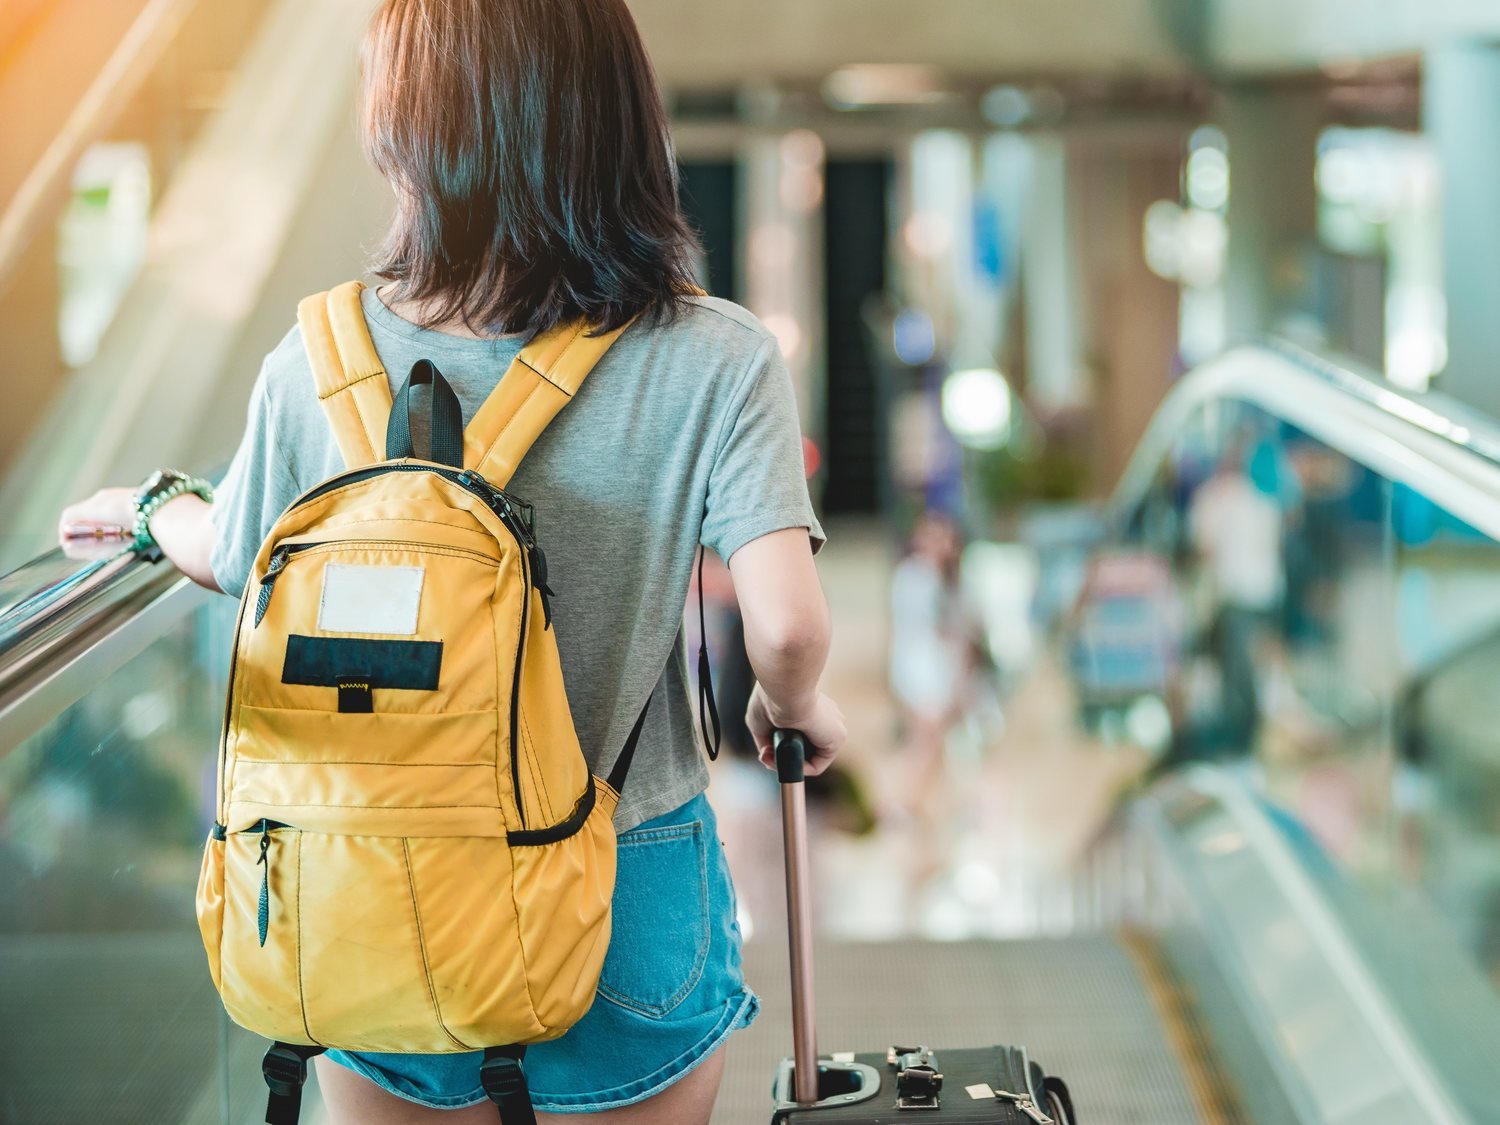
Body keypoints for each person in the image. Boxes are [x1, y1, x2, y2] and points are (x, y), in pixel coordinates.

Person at [57, 1, 846, 1121]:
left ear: (408, 131)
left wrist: (148, 510)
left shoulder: (317, 356)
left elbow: (234, 551)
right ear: (614, 113)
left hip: (377, 879)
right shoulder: (716, 356)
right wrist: (796, 701)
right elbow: (788, 627)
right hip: (624, 889)